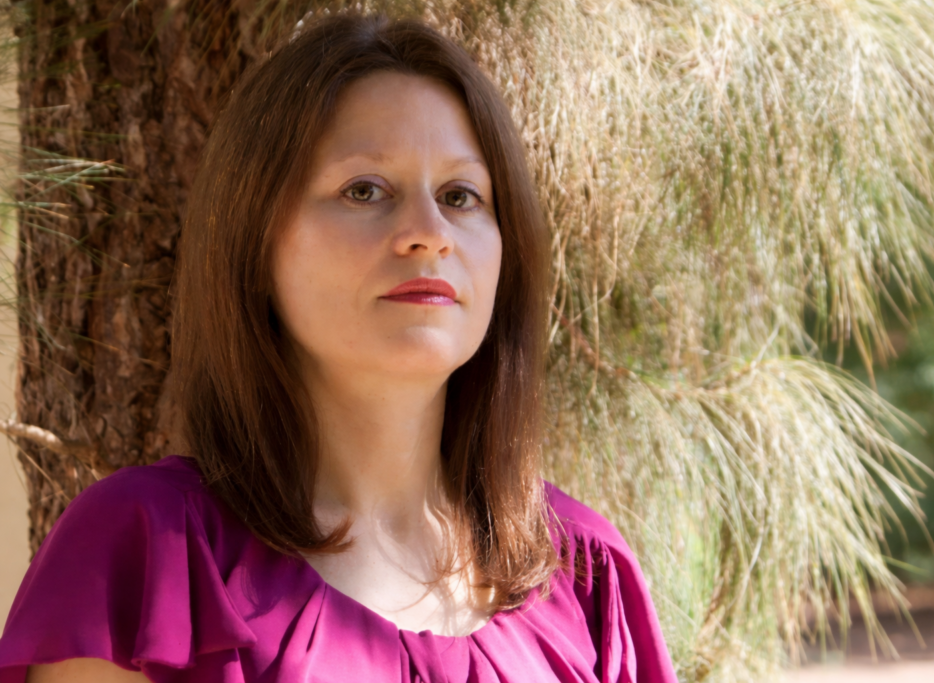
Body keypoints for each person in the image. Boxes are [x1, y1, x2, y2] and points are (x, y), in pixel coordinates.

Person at [0, 14, 677, 683]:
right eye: (364, 190)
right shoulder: (146, 560)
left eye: (460, 195)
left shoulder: (586, 578)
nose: (429, 232)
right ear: (255, 243)